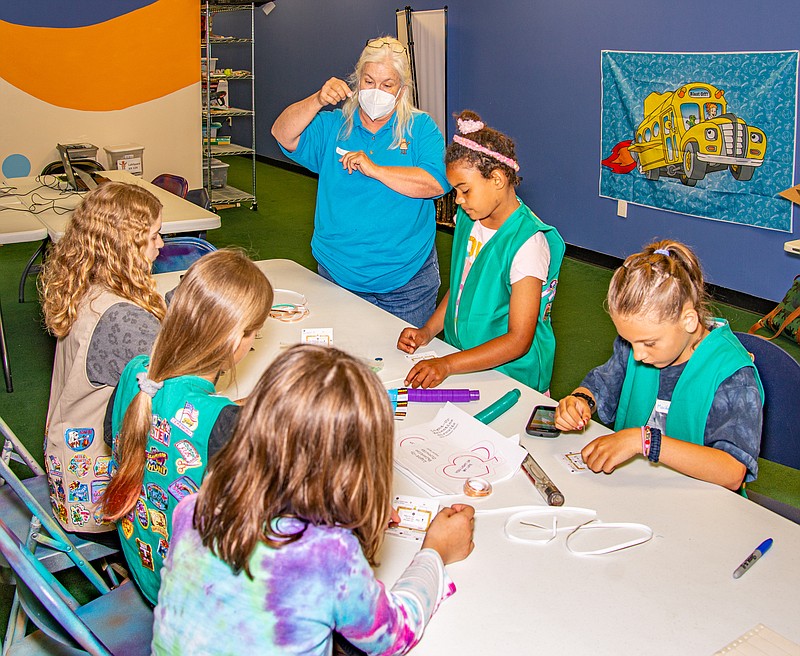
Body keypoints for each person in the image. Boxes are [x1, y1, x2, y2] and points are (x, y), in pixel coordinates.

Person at [151, 344, 475, 655]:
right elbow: (394, 635)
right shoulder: (329, 554)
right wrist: (435, 551)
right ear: (358, 468)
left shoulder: (194, 507)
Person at [100, 249, 273, 605]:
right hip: (189, 598)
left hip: (144, 564)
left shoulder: (137, 372)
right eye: (255, 332)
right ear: (235, 339)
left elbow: (115, 436)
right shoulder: (223, 424)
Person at [554, 240, 763, 491]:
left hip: (700, 503)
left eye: (649, 343)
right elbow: (603, 382)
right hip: (637, 488)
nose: (638, 354)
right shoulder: (637, 346)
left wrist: (645, 441)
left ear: (688, 320)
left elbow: (731, 472)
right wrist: (581, 400)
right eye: (629, 342)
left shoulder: (733, 374)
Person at [271, 36, 449, 327]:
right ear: (356, 82)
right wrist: (317, 100)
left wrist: (375, 169)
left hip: (407, 281)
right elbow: (282, 133)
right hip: (338, 275)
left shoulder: (421, 128)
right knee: (344, 365)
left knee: (405, 363)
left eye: (387, 84)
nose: (376, 91)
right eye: (368, 81)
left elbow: (435, 183)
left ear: (402, 90)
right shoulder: (334, 125)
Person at [397, 111, 565, 392]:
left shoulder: (528, 243)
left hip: (512, 378)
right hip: (466, 362)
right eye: (455, 192)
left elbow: (519, 339)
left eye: (465, 190)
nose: (458, 201)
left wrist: (447, 364)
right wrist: (427, 332)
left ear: (497, 179)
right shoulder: (467, 219)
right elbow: (461, 287)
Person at [40, 181, 166, 535]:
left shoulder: (85, 284)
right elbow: (181, 376)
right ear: (126, 245)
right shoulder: (124, 319)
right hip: (97, 493)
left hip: (66, 464)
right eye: (154, 235)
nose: (161, 244)